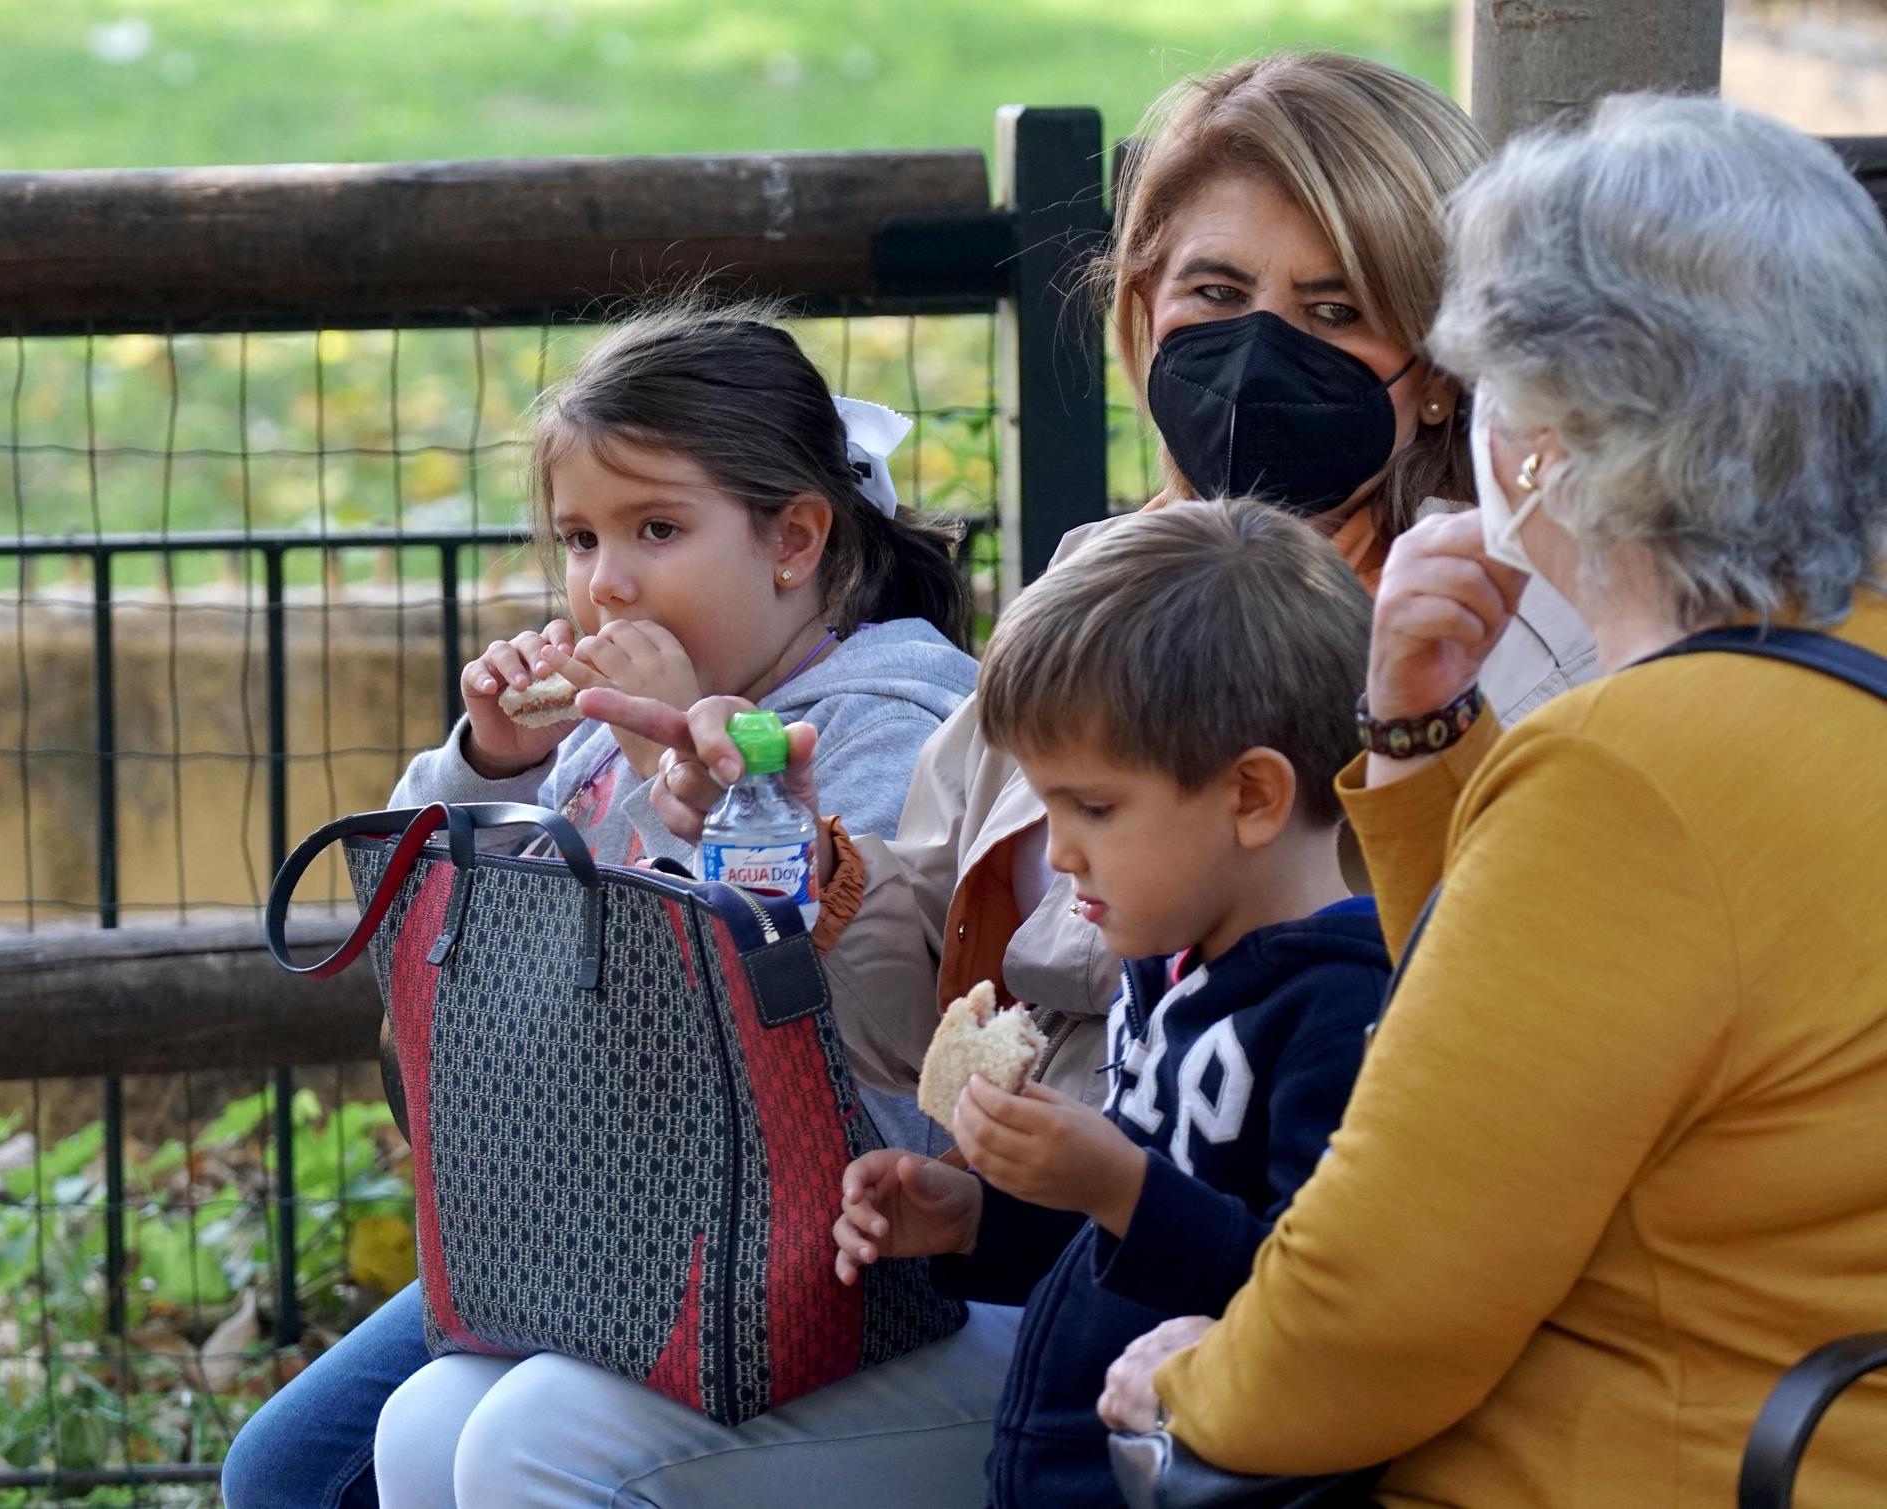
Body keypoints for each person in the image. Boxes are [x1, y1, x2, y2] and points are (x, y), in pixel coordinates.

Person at [1098, 95, 1887, 1506]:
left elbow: (1385, 1299)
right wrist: (1419, 732)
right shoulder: (1824, 689)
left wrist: (1189, 1394)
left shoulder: (1633, 767)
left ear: (1540, 434)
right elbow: (1521, 1027)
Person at [588, 49, 1596, 1110]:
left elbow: (1489, 1029)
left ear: (1438, 370)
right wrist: (808, 861)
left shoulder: (1497, 641)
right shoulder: (1091, 588)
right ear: (1141, 310)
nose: (1258, 351)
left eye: (1333, 312)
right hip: (1021, 1239)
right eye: (1216, 290)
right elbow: (926, 1016)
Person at [222, 306, 979, 1509]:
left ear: (793, 540)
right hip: (579, 1210)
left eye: (656, 529)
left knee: (464, 1449)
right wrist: (494, 760)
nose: (603, 581)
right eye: (578, 539)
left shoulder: (891, 721)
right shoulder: (581, 737)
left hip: (790, 1239)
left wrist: (683, 772)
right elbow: (438, 929)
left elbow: (798, 1015)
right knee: (286, 1473)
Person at [833, 501, 1392, 1509]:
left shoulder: (1344, 1009)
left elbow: (1315, 1304)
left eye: (1091, 807)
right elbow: (1122, 1248)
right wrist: (975, 1217)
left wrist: (1115, 1184)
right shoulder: (1167, 966)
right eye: (1045, 805)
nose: (1060, 850)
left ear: (1253, 796)